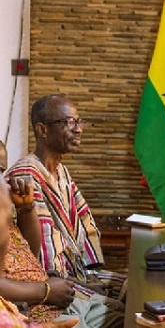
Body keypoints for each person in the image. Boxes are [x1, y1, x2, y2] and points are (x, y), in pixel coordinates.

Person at [5, 95, 125, 301]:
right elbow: (41, 260)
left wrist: (88, 279)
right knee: (125, 304)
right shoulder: (25, 175)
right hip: (47, 283)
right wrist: (85, 286)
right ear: (43, 130)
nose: (78, 129)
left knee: (132, 285)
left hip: (74, 274)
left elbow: (82, 226)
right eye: (69, 122)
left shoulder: (62, 173)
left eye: (79, 121)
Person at [0, 140, 123, 327]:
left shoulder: (2, 211)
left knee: (128, 316)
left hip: (57, 301)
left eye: (2, 171)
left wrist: (26, 208)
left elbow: (31, 252)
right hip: (34, 311)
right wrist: (46, 290)